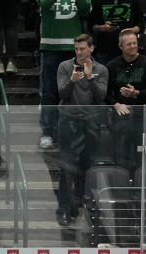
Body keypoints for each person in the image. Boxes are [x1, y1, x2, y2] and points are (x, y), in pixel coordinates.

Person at [55, 33, 108, 224]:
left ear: (91, 48)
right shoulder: (65, 66)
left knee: (86, 167)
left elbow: (101, 96)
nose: (79, 52)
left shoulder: (101, 69)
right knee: (66, 167)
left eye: (82, 48)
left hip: (91, 123)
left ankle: (79, 203)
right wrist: (72, 81)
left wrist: (89, 78)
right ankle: (64, 208)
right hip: (68, 122)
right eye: (76, 49)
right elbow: (62, 92)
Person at [36, 0, 91, 149]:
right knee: (49, 92)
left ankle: (71, 131)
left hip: (73, 50)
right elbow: (44, 5)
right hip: (51, 49)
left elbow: (86, 10)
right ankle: (47, 132)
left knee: (75, 91)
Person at [106, 30, 146, 173]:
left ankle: (138, 186)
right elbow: (104, 93)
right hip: (120, 116)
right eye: (129, 44)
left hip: (141, 116)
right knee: (120, 152)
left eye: (135, 43)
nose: (133, 46)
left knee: (140, 153)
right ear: (120, 46)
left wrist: (136, 93)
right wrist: (115, 104)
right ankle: (121, 182)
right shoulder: (111, 66)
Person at [91, 0, 144, 65]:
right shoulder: (98, 1)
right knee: (103, 74)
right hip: (105, 50)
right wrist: (102, 28)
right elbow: (91, 25)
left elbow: (141, 24)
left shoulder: (135, 1)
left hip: (129, 49)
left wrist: (132, 30)